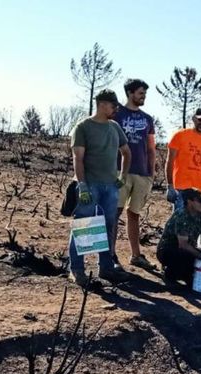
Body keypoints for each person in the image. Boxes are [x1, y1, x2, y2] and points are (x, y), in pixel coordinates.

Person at [68, 89, 131, 287]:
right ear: (102, 104)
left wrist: (123, 176)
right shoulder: (83, 127)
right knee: (84, 225)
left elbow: (126, 153)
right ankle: (77, 270)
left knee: (107, 226)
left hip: (110, 187)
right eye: (113, 105)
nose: (115, 109)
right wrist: (83, 185)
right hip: (90, 185)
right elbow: (78, 158)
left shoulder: (115, 127)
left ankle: (106, 268)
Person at [113, 78, 156, 271]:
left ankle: (136, 254)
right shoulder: (116, 114)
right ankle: (110, 255)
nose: (143, 96)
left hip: (142, 173)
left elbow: (151, 147)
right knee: (115, 213)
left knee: (135, 214)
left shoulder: (147, 119)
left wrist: (151, 173)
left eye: (145, 94)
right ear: (130, 93)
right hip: (119, 170)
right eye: (140, 93)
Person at [156, 188, 201, 287]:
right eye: (200, 201)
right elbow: (183, 245)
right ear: (189, 202)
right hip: (168, 250)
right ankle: (170, 273)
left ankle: (185, 273)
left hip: (186, 248)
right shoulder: (181, 215)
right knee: (185, 256)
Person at [165, 108, 201, 210]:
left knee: (196, 224)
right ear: (194, 119)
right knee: (180, 222)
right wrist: (170, 186)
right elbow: (170, 161)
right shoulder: (180, 135)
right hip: (182, 189)